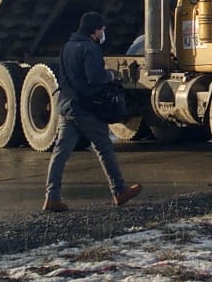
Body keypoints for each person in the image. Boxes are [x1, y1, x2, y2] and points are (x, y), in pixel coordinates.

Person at [43, 11, 142, 212]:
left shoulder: (67, 47)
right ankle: (119, 191)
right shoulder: (91, 49)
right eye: (101, 29)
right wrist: (111, 75)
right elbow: (95, 78)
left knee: (60, 153)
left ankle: (52, 197)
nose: (103, 33)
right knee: (105, 149)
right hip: (87, 108)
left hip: (67, 106)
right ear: (94, 30)